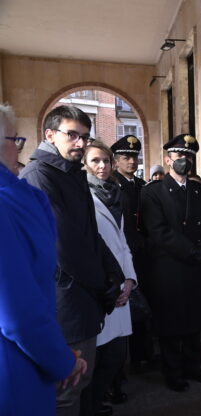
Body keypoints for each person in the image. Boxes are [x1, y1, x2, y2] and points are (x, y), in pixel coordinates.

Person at [20, 105, 123, 415]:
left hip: (81, 296)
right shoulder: (40, 175)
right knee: (66, 388)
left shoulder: (70, 172)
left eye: (85, 137)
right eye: (72, 135)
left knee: (81, 380)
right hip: (65, 299)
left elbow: (91, 235)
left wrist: (114, 275)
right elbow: (64, 245)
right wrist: (102, 284)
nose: (80, 143)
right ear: (50, 134)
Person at [0, 104, 86, 416]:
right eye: (14, 140)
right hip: (13, 367)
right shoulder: (11, 198)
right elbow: (18, 314)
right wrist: (62, 360)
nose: (18, 148)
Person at [140, 133, 201, 392]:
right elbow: (158, 230)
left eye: (188, 156)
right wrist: (190, 250)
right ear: (168, 159)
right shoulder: (153, 192)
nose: (184, 160)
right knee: (171, 321)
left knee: (195, 318)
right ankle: (173, 372)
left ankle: (194, 365)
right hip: (169, 266)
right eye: (179, 155)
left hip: (197, 264)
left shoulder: (199, 191)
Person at [80, 141, 137, 416]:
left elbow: (122, 241)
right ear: (85, 164)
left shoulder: (116, 194)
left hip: (121, 284)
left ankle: (96, 402)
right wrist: (112, 283)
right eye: (95, 161)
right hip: (100, 287)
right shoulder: (81, 194)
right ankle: (90, 407)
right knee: (97, 357)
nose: (102, 166)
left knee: (115, 355)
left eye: (105, 160)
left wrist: (130, 280)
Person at [110, 135, 150, 388]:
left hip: (142, 252)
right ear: (115, 161)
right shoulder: (112, 186)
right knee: (122, 309)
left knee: (141, 306)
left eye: (134, 157)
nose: (132, 161)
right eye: (126, 157)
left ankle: (141, 355)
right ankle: (118, 367)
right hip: (121, 253)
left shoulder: (141, 184)